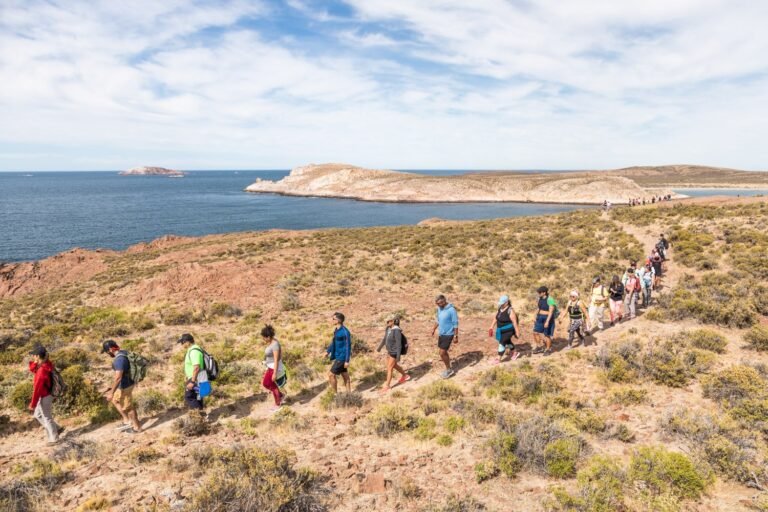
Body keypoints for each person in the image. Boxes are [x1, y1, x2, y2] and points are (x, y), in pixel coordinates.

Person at [102, 340, 142, 433]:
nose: (107, 354)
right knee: (115, 400)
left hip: (125, 386)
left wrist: (111, 392)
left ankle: (137, 427)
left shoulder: (119, 360)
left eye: (107, 351)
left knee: (128, 407)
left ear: (111, 349)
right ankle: (127, 421)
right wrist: (112, 387)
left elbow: (118, 378)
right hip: (125, 383)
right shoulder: (124, 352)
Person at [28, 344, 62, 444]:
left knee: (47, 417)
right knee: (38, 415)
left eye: (34, 355)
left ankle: (54, 439)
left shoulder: (42, 370)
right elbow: (33, 369)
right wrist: (35, 362)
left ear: (38, 356)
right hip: (47, 394)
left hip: (45, 396)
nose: (32, 356)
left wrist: (33, 404)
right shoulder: (45, 364)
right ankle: (57, 428)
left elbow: (37, 389)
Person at [376, 315, 410, 392]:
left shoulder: (397, 331)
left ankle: (387, 386)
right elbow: (385, 339)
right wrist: (379, 348)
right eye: (387, 321)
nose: (387, 322)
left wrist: (398, 356)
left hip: (394, 352)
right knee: (393, 365)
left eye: (389, 321)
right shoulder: (388, 329)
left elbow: (399, 344)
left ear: (393, 321)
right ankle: (405, 375)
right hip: (389, 350)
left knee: (389, 368)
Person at [431, 294, 459, 378]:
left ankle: (449, 370)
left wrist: (455, 336)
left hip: (449, 334)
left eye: (439, 303)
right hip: (442, 333)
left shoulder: (451, 310)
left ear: (444, 301)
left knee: (442, 353)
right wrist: (434, 329)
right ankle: (448, 365)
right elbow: (438, 320)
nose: (438, 305)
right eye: (437, 304)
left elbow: (455, 323)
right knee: (443, 352)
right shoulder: (439, 309)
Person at [488, 295, 521, 363]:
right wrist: (491, 326)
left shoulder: (510, 310)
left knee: (502, 343)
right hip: (501, 330)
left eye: (502, 303)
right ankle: (515, 353)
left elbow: (514, 322)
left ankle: (498, 358)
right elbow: (496, 318)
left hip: (509, 330)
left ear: (506, 302)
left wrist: (517, 332)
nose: (501, 304)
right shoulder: (500, 308)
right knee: (508, 342)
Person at [178, 333, 205, 411]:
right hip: (199, 377)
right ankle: (202, 416)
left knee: (189, 397)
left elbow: (196, 367)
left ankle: (199, 416)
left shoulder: (193, 351)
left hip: (196, 379)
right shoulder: (194, 349)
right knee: (198, 397)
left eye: (182, 342)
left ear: (187, 342)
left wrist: (192, 382)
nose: (181, 345)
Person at [261, 325, 286, 411]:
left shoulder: (275, 345)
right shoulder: (272, 342)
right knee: (267, 384)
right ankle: (281, 396)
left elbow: (276, 359)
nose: (263, 339)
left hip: (273, 368)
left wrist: (274, 373)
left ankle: (277, 404)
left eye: (264, 337)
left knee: (269, 384)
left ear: (268, 336)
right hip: (270, 366)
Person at [325, 312, 352, 392]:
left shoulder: (345, 332)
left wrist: (347, 360)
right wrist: (328, 351)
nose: (332, 320)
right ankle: (349, 394)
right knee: (345, 375)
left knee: (331, 375)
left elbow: (348, 346)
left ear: (339, 320)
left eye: (333, 319)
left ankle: (335, 394)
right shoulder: (337, 330)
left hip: (342, 357)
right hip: (338, 355)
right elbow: (334, 341)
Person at [532, 286, 557, 356]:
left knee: (547, 335)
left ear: (544, 293)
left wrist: (547, 321)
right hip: (540, 317)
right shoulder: (540, 298)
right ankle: (539, 347)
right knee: (535, 332)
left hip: (547, 318)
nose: (538, 294)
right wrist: (534, 316)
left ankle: (548, 349)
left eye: (540, 292)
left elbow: (551, 311)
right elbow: (538, 308)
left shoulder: (550, 299)